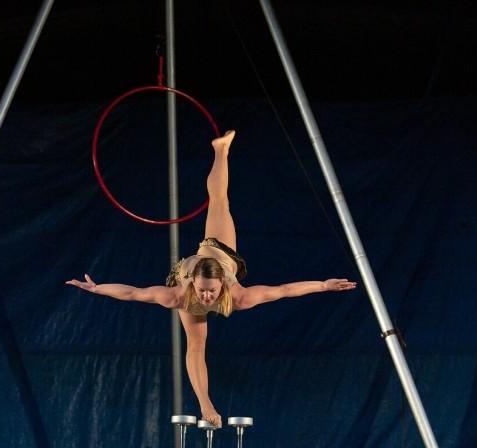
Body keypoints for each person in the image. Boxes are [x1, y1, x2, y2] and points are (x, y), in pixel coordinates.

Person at [67, 130, 357, 427]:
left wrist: (322, 285)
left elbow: (283, 290)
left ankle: (220, 150)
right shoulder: (180, 295)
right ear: (195, 284)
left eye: (211, 292)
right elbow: (132, 293)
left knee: (219, 201)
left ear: (223, 285)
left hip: (217, 252)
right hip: (190, 269)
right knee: (196, 343)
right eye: (203, 291)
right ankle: (206, 403)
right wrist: (96, 288)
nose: (207, 297)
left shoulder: (239, 296)